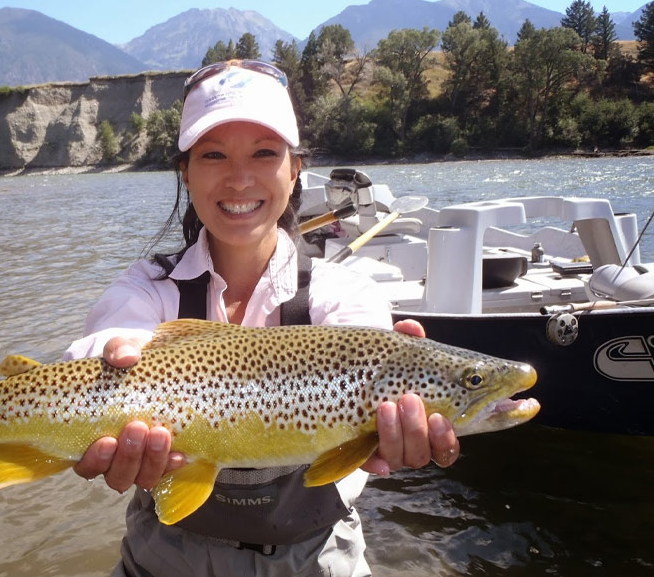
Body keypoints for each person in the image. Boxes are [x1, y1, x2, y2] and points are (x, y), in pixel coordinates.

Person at [62, 60, 460, 576]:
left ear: (296, 169)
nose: (240, 177)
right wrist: (110, 358)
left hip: (315, 560)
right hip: (164, 556)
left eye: (265, 153)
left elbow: (368, 349)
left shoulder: (343, 292)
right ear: (186, 172)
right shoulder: (148, 288)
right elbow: (107, 339)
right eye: (213, 155)